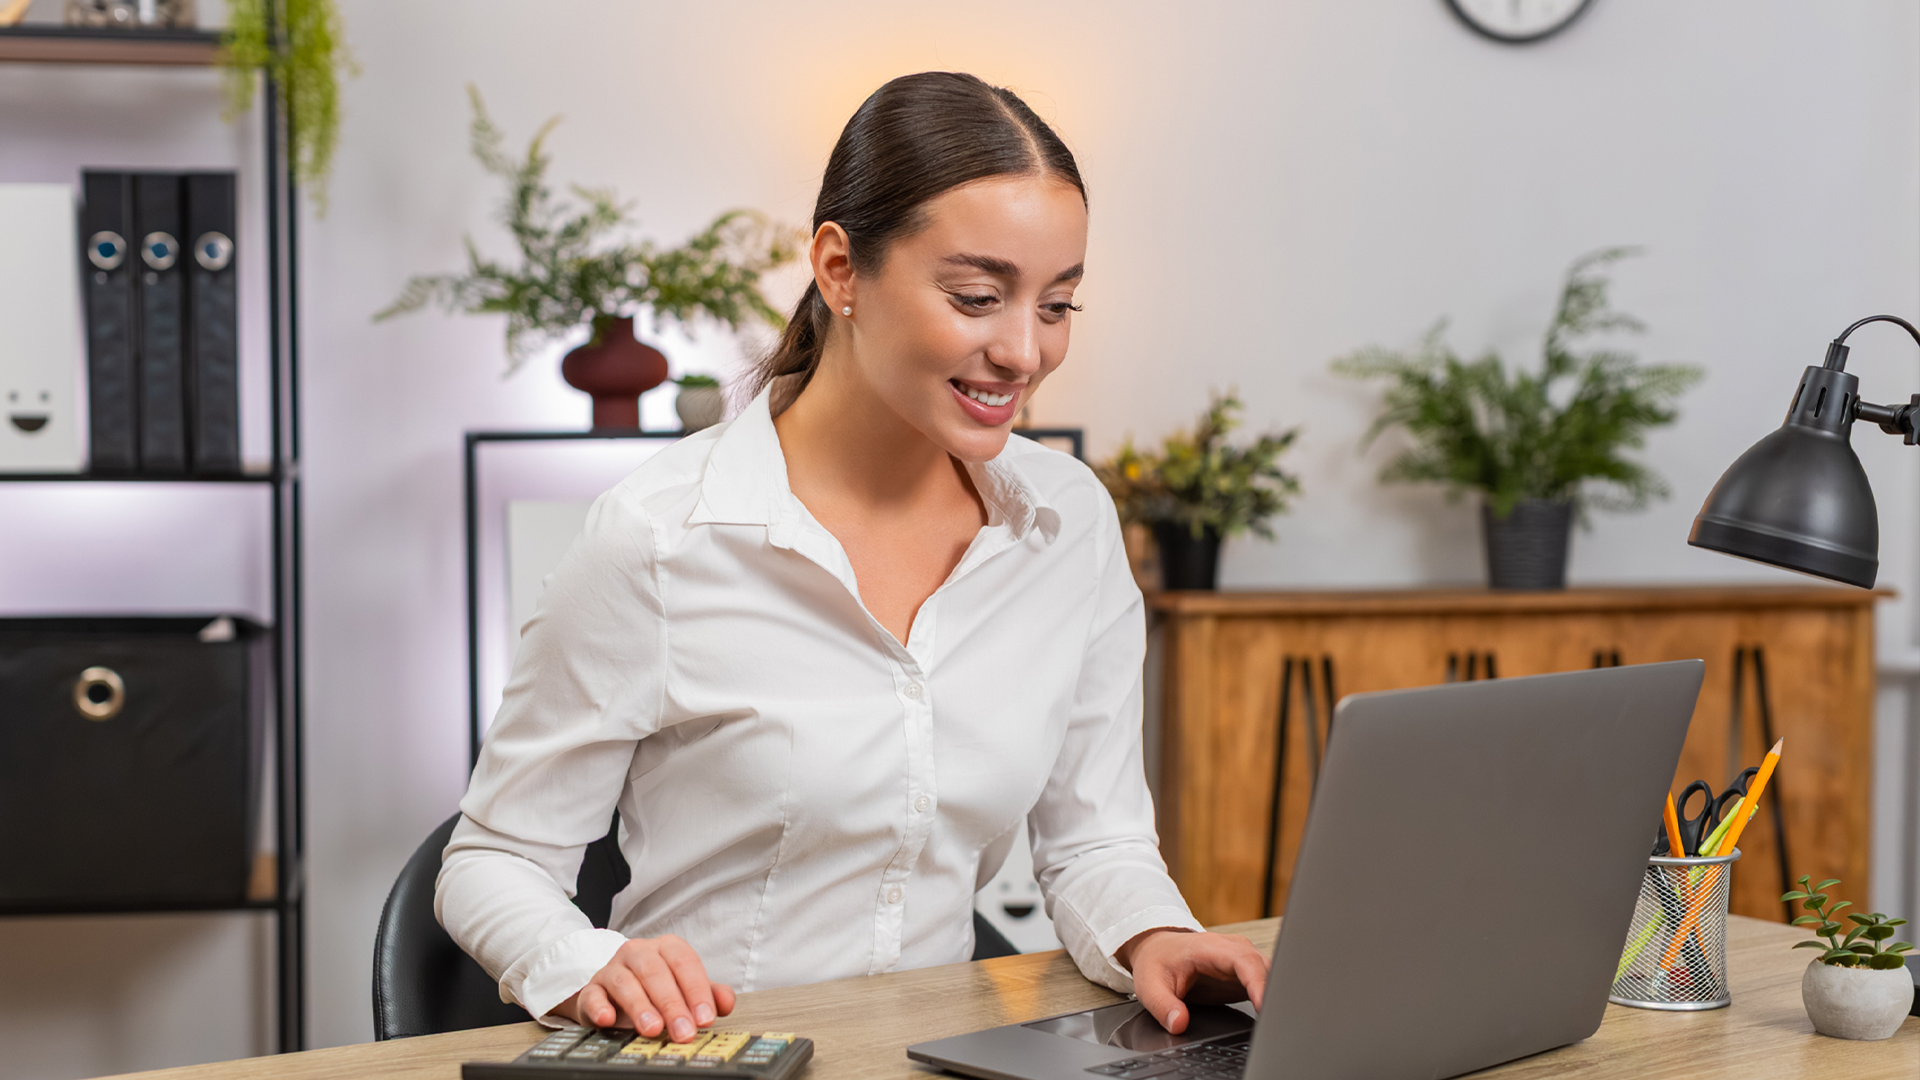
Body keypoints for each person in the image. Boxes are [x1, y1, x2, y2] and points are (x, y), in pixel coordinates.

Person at [437, 71, 1269, 1047]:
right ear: (840, 270)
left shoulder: (1067, 523)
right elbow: (491, 860)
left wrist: (1153, 935)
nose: (1023, 351)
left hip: (940, 1054)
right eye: (977, 296)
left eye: (1057, 306)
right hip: (709, 1057)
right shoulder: (659, 540)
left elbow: (1096, 838)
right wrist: (586, 966)